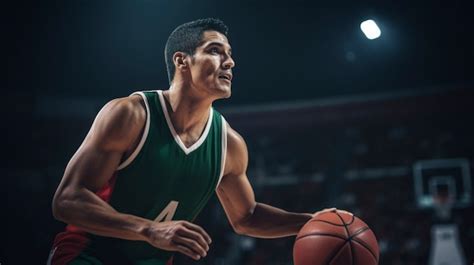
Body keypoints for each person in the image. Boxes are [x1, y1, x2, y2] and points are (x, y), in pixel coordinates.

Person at [49, 18, 335, 265]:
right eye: (214, 51)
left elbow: (246, 217)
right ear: (182, 60)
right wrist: (148, 229)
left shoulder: (229, 144)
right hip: (86, 255)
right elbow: (67, 200)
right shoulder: (131, 114)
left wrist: (312, 221)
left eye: (230, 54)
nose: (230, 61)